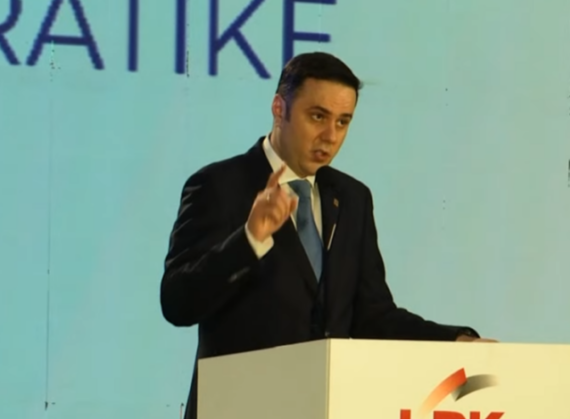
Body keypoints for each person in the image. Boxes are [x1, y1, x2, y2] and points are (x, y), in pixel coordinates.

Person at [160, 52, 495, 419]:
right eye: (317, 117)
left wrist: (454, 341)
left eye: (343, 121)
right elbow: (177, 302)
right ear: (279, 109)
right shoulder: (219, 185)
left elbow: (371, 315)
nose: (331, 136)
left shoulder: (352, 198)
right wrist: (250, 239)